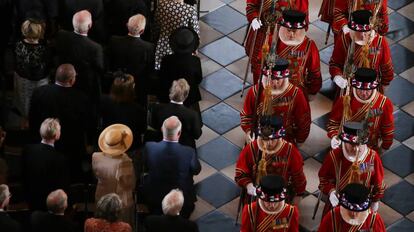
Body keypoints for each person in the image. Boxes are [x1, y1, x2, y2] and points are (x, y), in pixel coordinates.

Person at [29, 64, 94, 183]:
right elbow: (87, 124)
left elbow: (32, 119)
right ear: (71, 80)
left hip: (45, 143)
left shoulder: (39, 92)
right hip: (72, 148)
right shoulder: (81, 98)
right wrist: (89, 143)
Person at [318, 121, 385, 217]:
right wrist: (331, 192)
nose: (355, 148)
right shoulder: (334, 156)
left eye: (359, 144)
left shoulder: (372, 157)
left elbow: (379, 183)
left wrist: (375, 200)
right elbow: (323, 178)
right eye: (352, 144)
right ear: (345, 142)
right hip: (338, 204)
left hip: (362, 207)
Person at [235, 115, 306, 205]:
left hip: (281, 195)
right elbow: (240, 173)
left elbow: (298, 176)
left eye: (273, 139)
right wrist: (248, 184)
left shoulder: (290, 150)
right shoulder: (251, 149)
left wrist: (299, 194)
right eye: (265, 139)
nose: (269, 143)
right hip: (256, 193)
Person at [240, 58, 311, 145]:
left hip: (285, 138)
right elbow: (246, 116)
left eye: (278, 79)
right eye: (273, 78)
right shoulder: (255, 91)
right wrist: (248, 131)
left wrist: (300, 139)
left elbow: (303, 119)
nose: (275, 82)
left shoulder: (296, 93)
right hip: (259, 137)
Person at [143, 116, 201, 218]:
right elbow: (196, 170)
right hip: (181, 198)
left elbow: (145, 165)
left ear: (162, 130)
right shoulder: (189, 151)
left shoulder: (149, 147)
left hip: (154, 195)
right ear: (179, 133)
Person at [327, 68, 394, 153]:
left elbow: (387, 129)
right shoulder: (345, 100)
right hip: (345, 147)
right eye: (360, 90)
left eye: (367, 90)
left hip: (370, 149)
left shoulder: (384, 103)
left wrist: (384, 147)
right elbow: (333, 123)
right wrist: (334, 136)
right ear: (355, 88)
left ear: (373, 88)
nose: (364, 93)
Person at [245, 0, 308, 84]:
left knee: (283, 67)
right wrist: (254, 19)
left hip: (284, 36)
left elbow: (301, 18)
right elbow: (251, 6)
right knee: (259, 63)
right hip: (262, 34)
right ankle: (259, 88)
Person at [329, 10, 393, 93]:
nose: (363, 36)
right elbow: (335, 63)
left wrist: (384, 86)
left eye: (366, 31)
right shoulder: (344, 40)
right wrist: (337, 76)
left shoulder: (380, 42)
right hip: (349, 88)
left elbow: (386, 67)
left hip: (372, 89)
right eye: (360, 32)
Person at [266, 10, 321, 99]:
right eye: (288, 30)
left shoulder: (310, 45)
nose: (291, 34)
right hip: (274, 87)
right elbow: (261, 65)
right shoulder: (272, 41)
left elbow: (314, 71)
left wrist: (312, 90)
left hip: (298, 90)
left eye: (294, 31)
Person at [55, 10, 104, 105]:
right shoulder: (95, 48)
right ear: (90, 26)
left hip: (63, 79)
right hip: (85, 85)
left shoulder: (61, 35)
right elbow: (100, 68)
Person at [92, 124, 136, 226]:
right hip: (118, 204)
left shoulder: (95, 157)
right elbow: (130, 184)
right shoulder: (125, 161)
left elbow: (95, 176)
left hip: (101, 199)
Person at [106, 14, 155, 105]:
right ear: (142, 31)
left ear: (127, 25)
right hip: (137, 88)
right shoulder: (149, 48)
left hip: (116, 84)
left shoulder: (114, 40)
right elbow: (149, 71)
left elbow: (109, 62)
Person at [22, 118, 68, 211]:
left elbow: (23, 175)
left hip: (30, 200)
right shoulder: (59, 158)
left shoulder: (27, 150)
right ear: (56, 135)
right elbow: (62, 185)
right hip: (50, 205)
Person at [13, 19, 51, 124]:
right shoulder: (44, 47)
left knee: (24, 99)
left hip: (23, 77)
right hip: (40, 79)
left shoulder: (18, 44)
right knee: (39, 101)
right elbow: (47, 63)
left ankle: (25, 118)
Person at [159, 27, 202, 111]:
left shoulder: (166, 59)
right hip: (189, 96)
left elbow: (162, 77)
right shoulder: (195, 61)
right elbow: (198, 79)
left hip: (168, 95)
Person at [150, 79, 202, 149]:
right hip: (185, 147)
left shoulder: (157, 108)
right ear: (186, 95)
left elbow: (154, 126)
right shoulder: (192, 115)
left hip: (162, 144)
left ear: (170, 92)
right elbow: (197, 135)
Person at [100, 73, 147, 150]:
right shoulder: (139, 110)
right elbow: (142, 130)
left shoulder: (104, 102)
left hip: (109, 146)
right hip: (130, 148)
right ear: (131, 89)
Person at [318, 183, 386, 231]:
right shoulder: (332, 216)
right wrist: (331, 191)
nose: (353, 214)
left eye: (357, 211)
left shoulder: (374, 219)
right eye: (350, 210)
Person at [153, 0, 199, 69]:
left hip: (163, 45)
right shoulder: (190, 10)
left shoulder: (162, 5)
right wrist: (195, 48)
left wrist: (154, 39)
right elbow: (195, 31)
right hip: (182, 46)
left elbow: (156, 25)